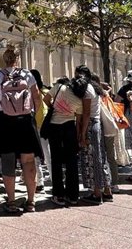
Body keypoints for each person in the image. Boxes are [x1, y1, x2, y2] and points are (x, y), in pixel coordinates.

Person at [0, 48, 43, 213]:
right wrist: (31, 113)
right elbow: (37, 97)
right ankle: (31, 201)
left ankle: (11, 201)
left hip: (5, 121)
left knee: (8, 161)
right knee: (28, 161)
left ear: (4, 60)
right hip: (25, 121)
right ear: (17, 59)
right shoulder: (27, 74)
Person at [43, 75, 82, 206]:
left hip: (55, 125)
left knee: (56, 160)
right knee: (72, 160)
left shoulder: (58, 87)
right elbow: (79, 116)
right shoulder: (78, 95)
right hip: (70, 126)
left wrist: (53, 107)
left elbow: (46, 99)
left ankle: (58, 194)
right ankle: (73, 195)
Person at [78, 67, 113, 203]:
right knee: (101, 157)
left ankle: (96, 193)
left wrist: (82, 133)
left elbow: (86, 114)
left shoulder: (87, 90)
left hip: (91, 125)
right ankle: (107, 190)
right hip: (98, 124)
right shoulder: (97, 90)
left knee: (92, 159)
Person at [31, 69, 51, 191]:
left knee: (35, 155)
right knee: (48, 153)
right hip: (47, 125)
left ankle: (39, 182)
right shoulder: (46, 91)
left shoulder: (32, 92)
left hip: (35, 124)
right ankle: (54, 178)